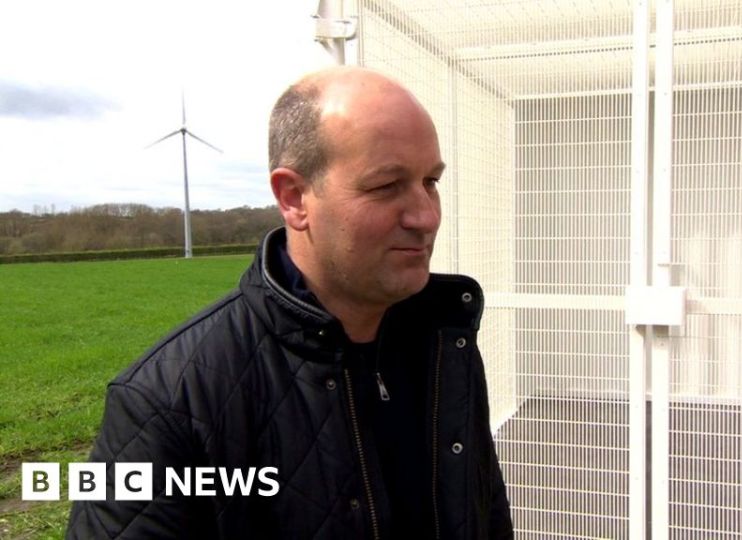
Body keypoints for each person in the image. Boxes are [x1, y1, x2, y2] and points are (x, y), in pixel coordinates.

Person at [67, 66, 513, 539]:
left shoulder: (446, 341)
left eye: (431, 182)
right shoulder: (169, 401)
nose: (426, 216)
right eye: (386, 186)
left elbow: (485, 511)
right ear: (295, 197)